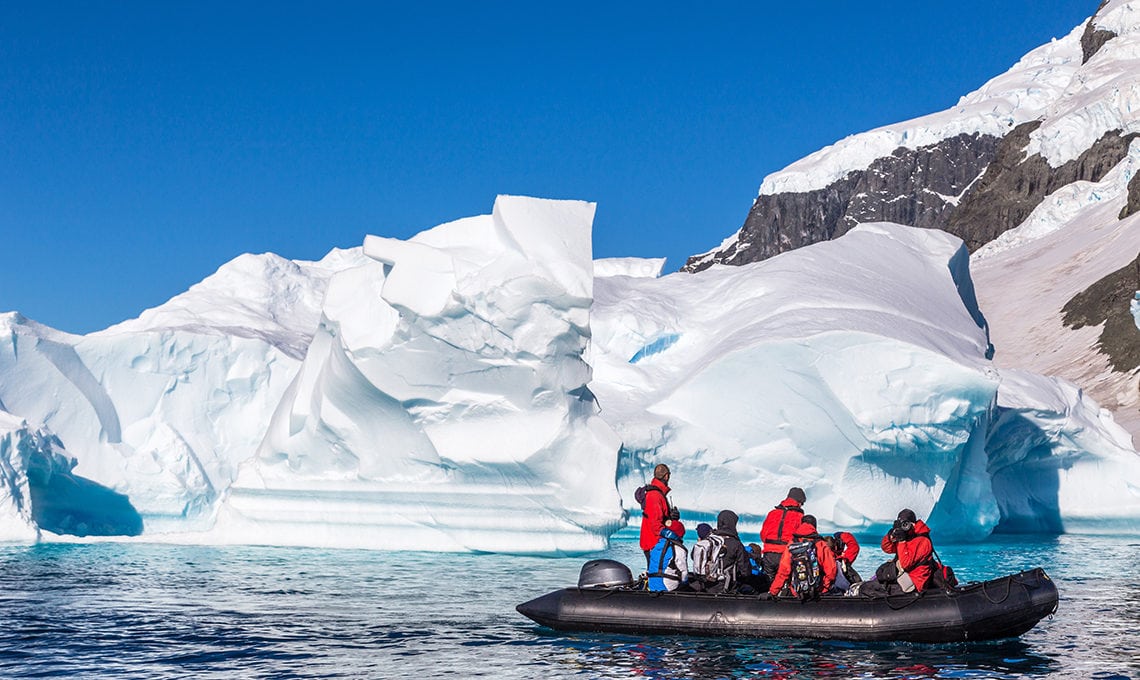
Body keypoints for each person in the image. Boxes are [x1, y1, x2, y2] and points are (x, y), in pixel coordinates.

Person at [861, 509, 945, 596]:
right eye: (902, 524)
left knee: (867, 588)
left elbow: (906, 564)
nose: (905, 526)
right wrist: (891, 535)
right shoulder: (906, 537)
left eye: (907, 524)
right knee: (870, 584)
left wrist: (902, 541)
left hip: (914, 584)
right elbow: (886, 548)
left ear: (914, 524)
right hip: (903, 578)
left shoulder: (922, 541)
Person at [768, 515, 836, 599]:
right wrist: (824, 588)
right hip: (818, 591)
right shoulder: (820, 544)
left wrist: (772, 592)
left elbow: (783, 571)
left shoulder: (792, 544)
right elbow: (831, 572)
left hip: (797, 591)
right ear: (814, 526)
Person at [759, 487, 806, 580]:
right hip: (786, 555)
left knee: (769, 583)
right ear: (799, 502)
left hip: (769, 554)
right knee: (785, 583)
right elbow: (801, 539)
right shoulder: (799, 516)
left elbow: (763, 535)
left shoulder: (772, 513)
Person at [638, 464, 678, 568]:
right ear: (666, 476)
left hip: (654, 542)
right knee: (657, 574)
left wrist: (672, 517)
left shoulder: (657, 493)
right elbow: (655, 524)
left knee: (657, 572)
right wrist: (668, 533)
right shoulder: (655, 496)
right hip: (653, 543)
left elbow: (659, 517)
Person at [647, 522, 689, 592]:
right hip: (667, 587)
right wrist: (685, 582)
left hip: (651, 585)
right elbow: (684, 572)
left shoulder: (656, 546)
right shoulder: (678, 549)